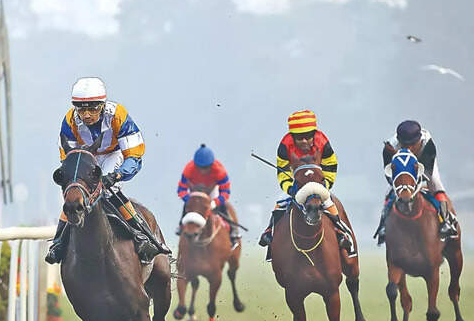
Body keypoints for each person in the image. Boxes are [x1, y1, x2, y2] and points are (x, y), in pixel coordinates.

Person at [44, 77, 170, 264]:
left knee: (109, 190)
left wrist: (117, 175)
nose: (86, 115)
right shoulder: (70, 120)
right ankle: (57, 243)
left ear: (102, 105)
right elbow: (69, 158)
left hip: (114, 154)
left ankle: (142, 235)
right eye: (81, 109)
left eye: (93, 109)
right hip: (86, 157)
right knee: (74, 193)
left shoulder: (118, 115)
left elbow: (134, 156)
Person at [258, 109, 356, 256]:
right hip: (297, 183)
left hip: (318, 182)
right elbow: (282, 172)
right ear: (292, 137)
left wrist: (325, 185)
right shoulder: (284, 146)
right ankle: (269, 232)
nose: (304, 141)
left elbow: (330, 166)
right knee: (280, 201)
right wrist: (290, 189)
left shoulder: (323, 142)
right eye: (299, 137)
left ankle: (342, 233)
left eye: (308, 136)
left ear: (314, 134)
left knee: (329, 202)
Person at [374, 119, 459, 243]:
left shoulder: (427, 144)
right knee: (390, 191)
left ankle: (446, 221)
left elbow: (427, 172)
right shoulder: (390, 147)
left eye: (412, 144)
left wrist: (413, 184)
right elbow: (389, 174)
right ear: (399, 141)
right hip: (402, 171)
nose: (409, 148)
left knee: (436, 184)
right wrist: (401, 185)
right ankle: (383, 225)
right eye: (404, 145)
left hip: (423, 164)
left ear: (419, 140)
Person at [176, 144, 240, 247]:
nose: (203, 171)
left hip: (212, 192)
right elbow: (181, 189)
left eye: (206, 168)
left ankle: (233, 231)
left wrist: (215, 202)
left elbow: (226, 191)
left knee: (224, 207)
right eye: (200, 168)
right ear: (195, 164)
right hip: (195, 192)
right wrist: (188, 199)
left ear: (211, 164)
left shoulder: (220, 171)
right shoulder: (188, 169)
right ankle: (180, 226)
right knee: (187, 207)